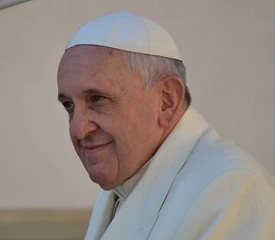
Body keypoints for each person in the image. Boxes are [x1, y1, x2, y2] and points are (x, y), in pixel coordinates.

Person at [56, 11, 275, 240]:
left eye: (97, 99)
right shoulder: (126, 174)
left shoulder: (233, 191)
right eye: (69, 105)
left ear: (166, 101)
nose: (78, 130)